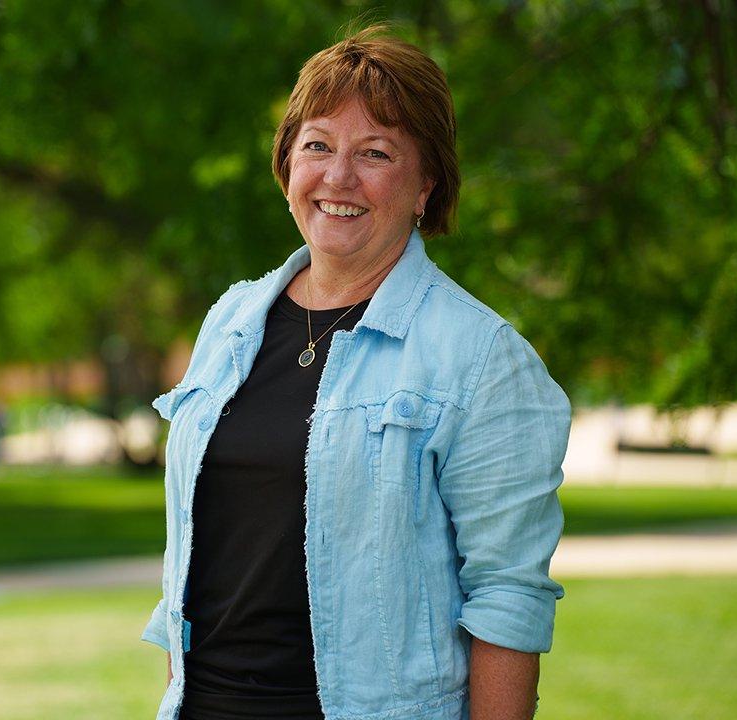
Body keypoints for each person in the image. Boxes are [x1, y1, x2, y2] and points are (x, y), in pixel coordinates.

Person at [142, 24, 570, 720]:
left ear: (426, 185)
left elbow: (507, 602)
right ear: (287, 165)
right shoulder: (229, 322)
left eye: (375, 153)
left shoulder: (481, 359)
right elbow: (191, 561)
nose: (338, 178)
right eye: (317, 145)